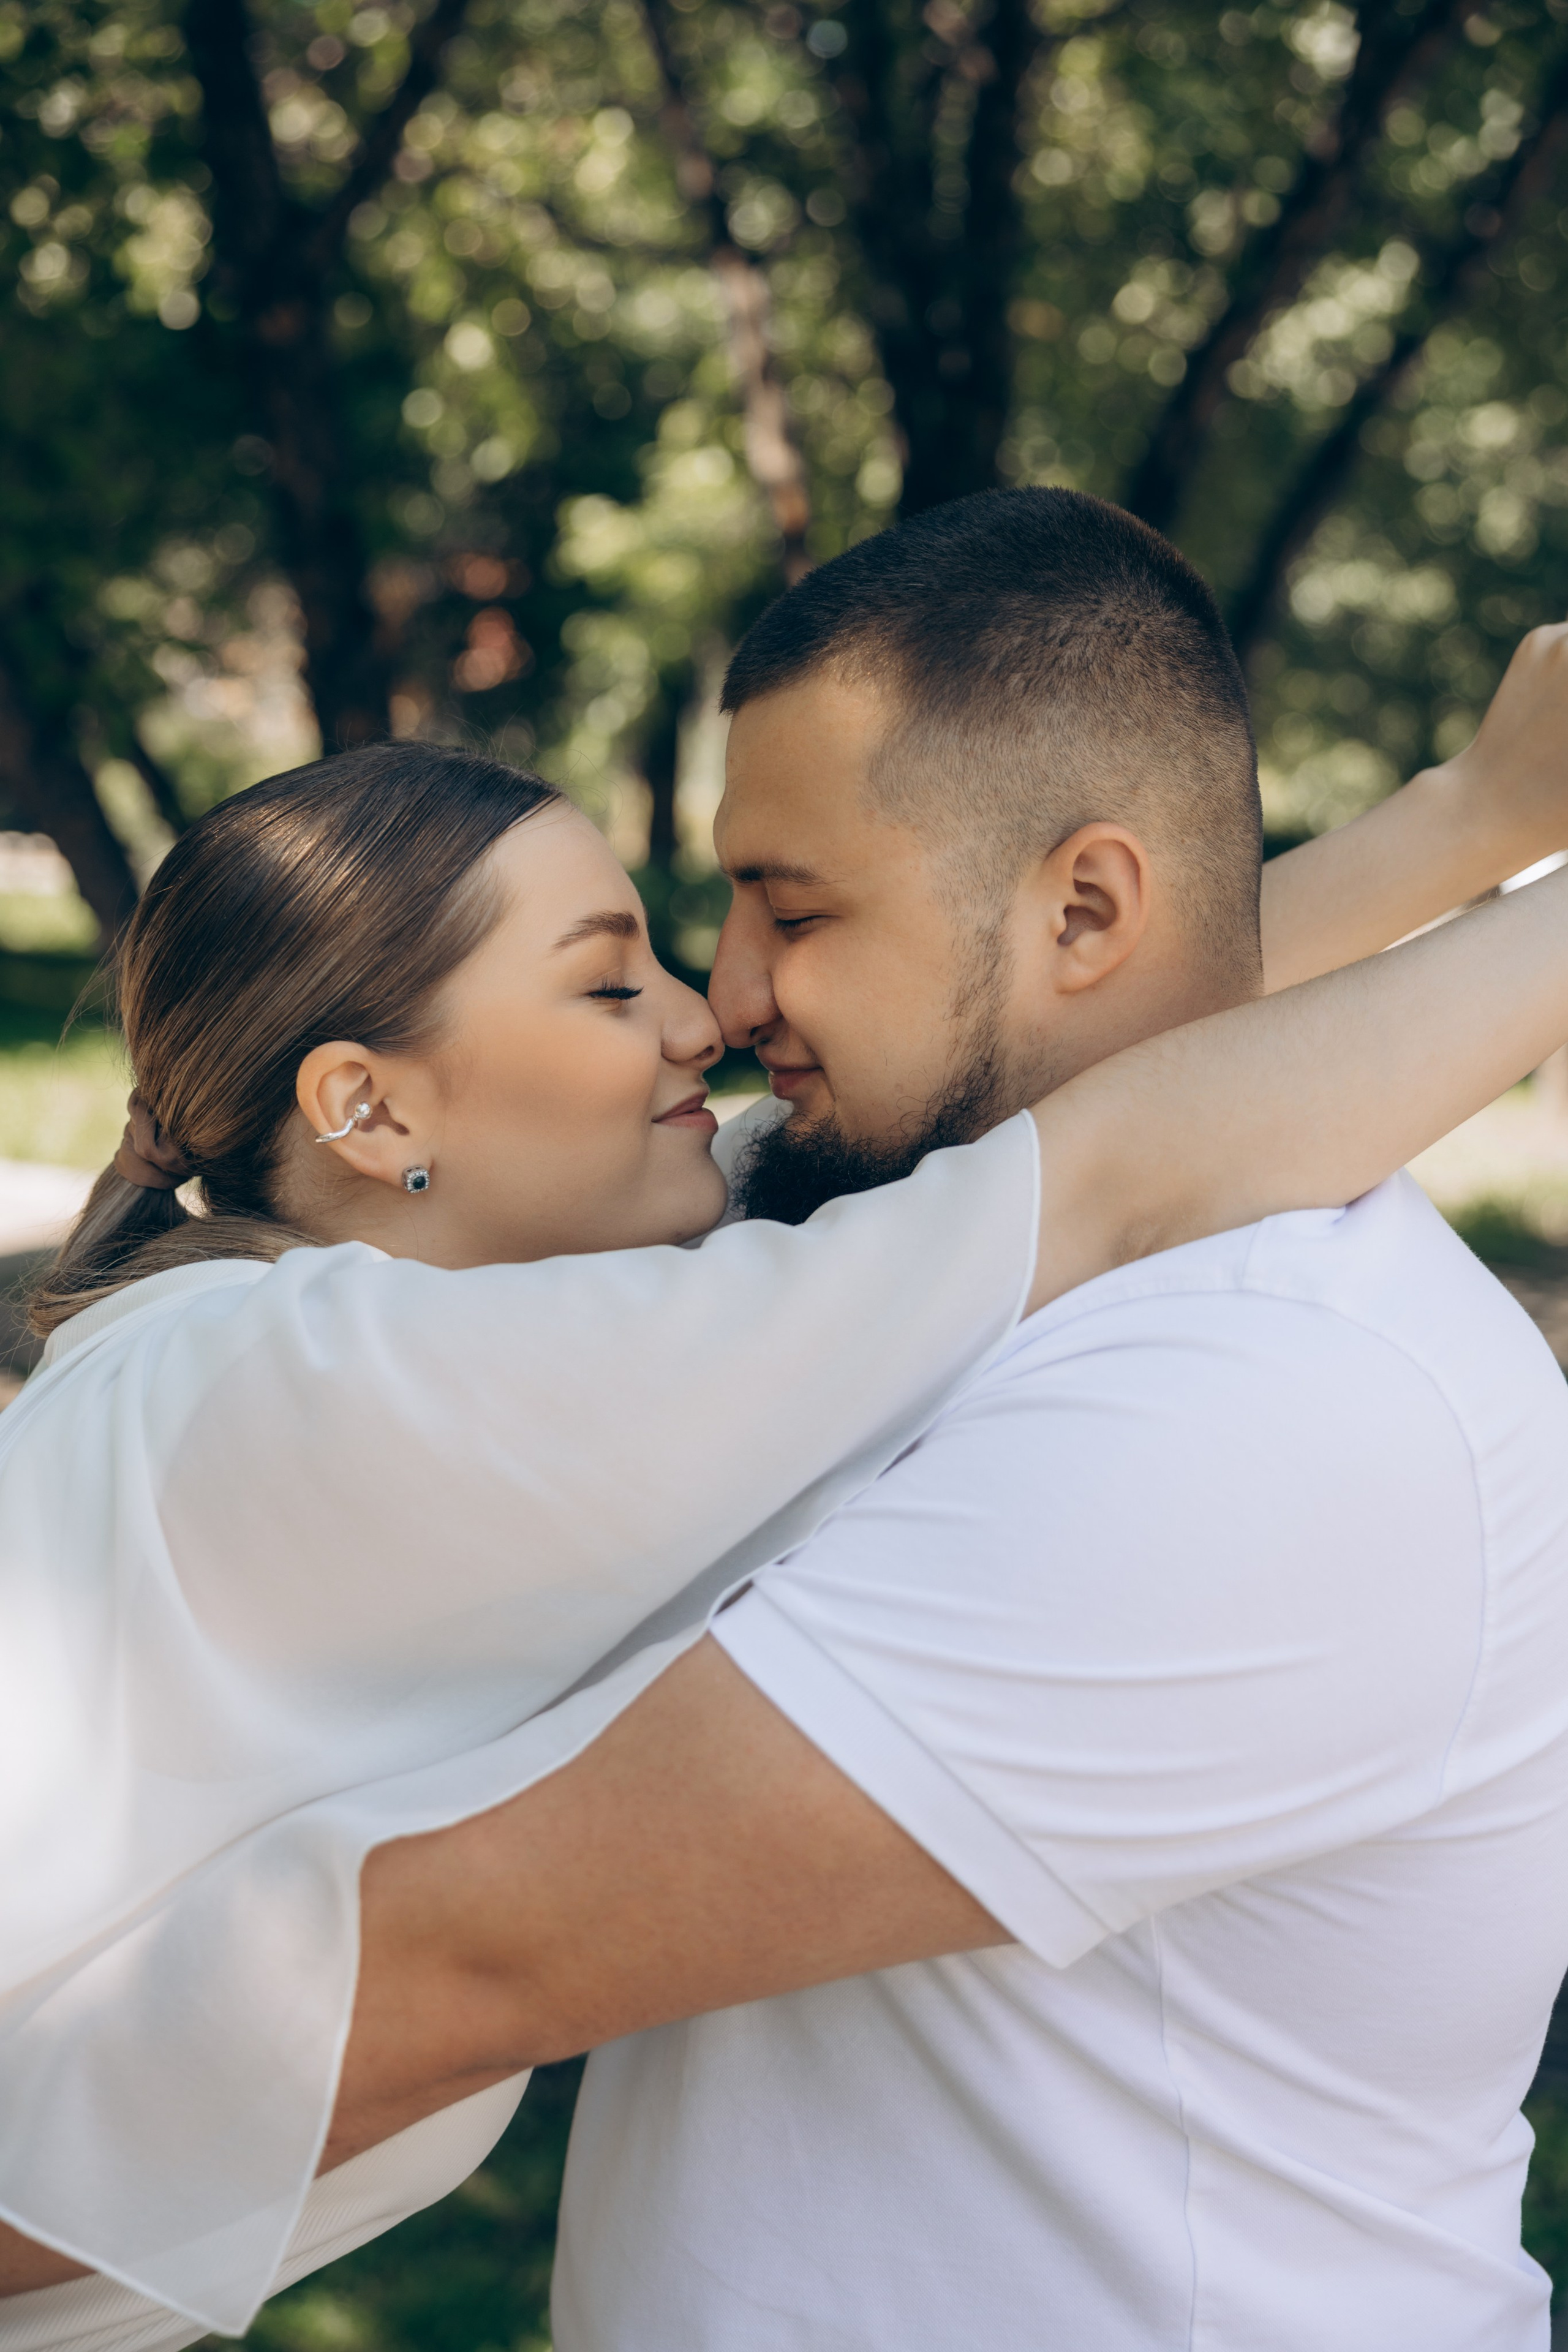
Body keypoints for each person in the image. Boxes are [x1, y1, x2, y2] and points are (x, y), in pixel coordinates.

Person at [3, 489, 1568, 2352]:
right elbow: (1118, 1122)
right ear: (370, 1111)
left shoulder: (1261, 1392)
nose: (719, 1018)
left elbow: (1143, 1072)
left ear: (1085, 904)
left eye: (785, 914)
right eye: (622, 976)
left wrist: (1482, 820)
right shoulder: (382, 1385)